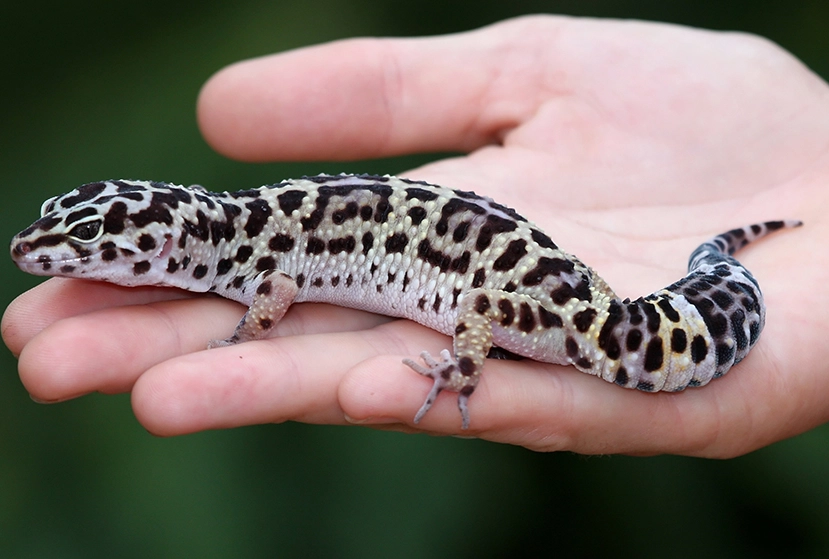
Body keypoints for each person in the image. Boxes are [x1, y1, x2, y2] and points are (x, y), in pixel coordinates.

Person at [3, 15, 827, 457]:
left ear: (160, 244)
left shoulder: (247, 255)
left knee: (503, 318)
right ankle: (710, 269)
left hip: (547, 315)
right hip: (546, 283)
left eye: (90, 247)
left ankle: (704, 275)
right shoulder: (239, 240)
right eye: (87, 246)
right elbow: (282, 283)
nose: (52, 252)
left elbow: (278, 294)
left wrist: (460, 359)